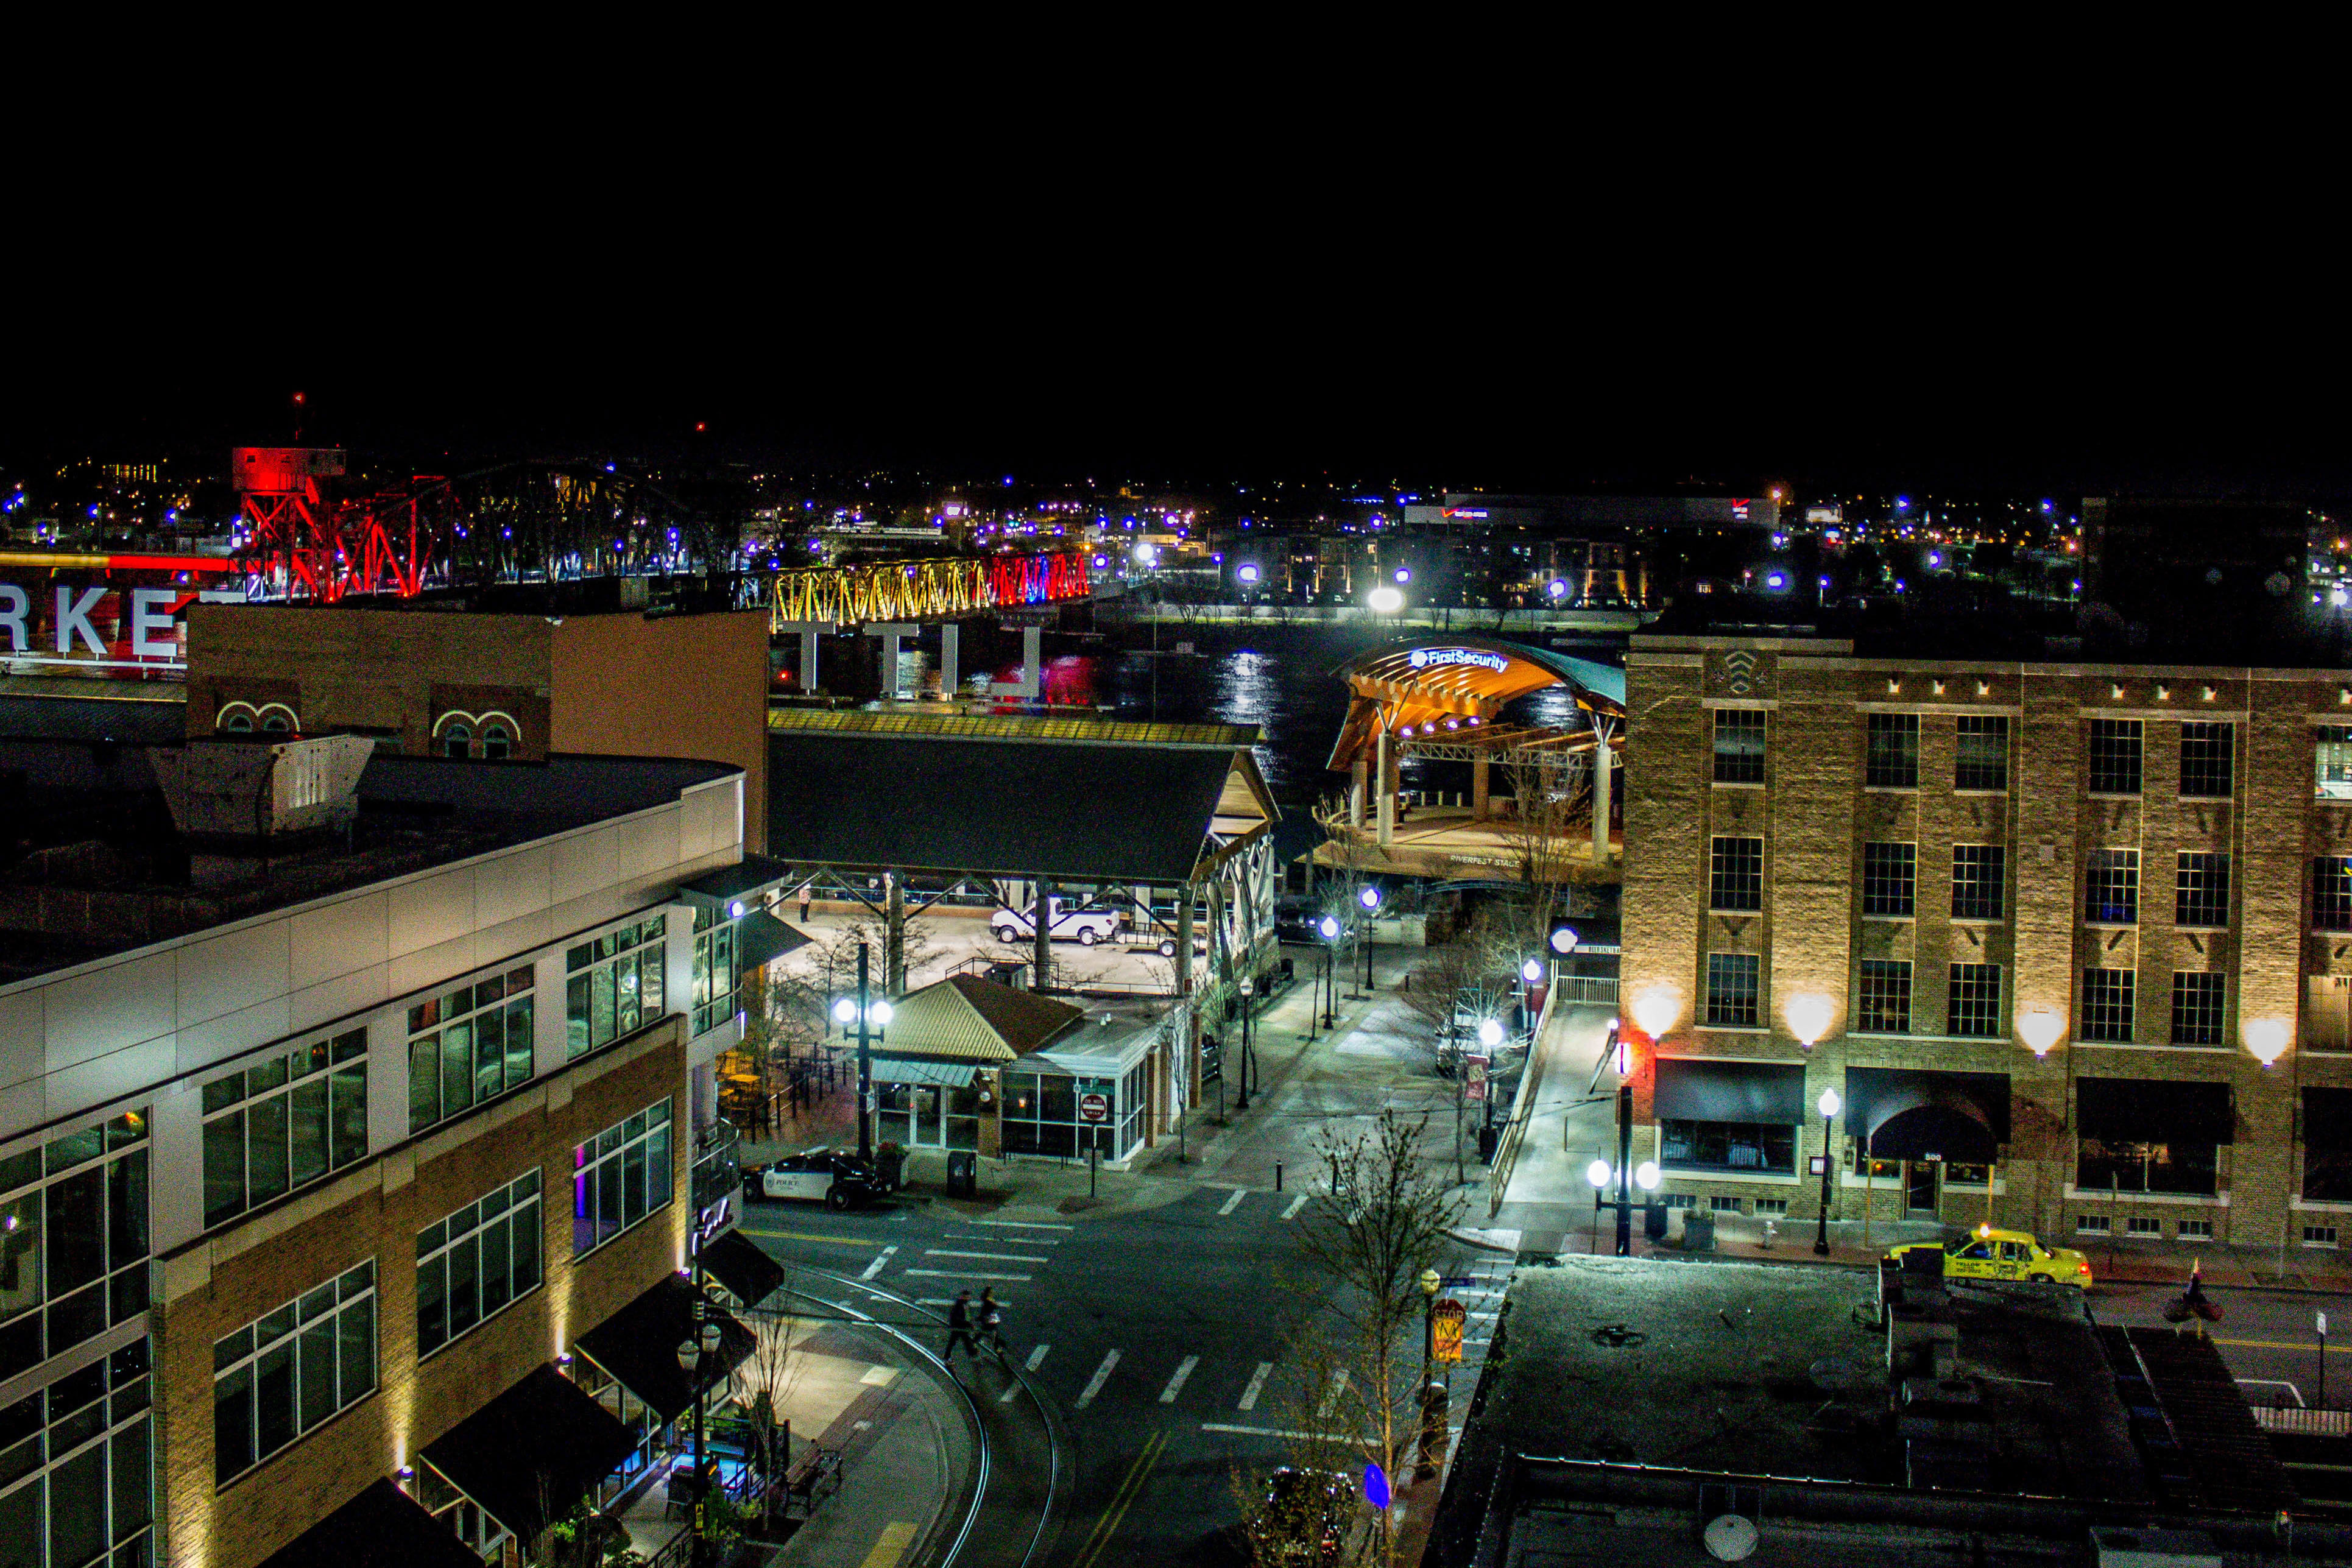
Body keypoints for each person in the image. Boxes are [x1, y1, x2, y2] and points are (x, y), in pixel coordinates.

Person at [945, 1289, 980, 1365]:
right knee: (956, 1342)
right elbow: (956, 1317)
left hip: (961, 1326)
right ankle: (947, 1358)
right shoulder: (960, 1304)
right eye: (967, 1297)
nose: (969, 1298)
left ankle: (973, 1356)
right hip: (959, 1327)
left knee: (965, 1341)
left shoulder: (963, 1304)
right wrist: (969, 1324)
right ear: (964, 1297)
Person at [978, 1287, 1006, 1358]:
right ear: (989, 1293)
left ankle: (975, 1343)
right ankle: (998, 1350)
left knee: (985, 1332)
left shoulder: (989, 1300)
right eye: (992, 1292)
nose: (993, 1293)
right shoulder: (989, 1301)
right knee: (992, 1334)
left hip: (990, 1320)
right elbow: (988, 1310)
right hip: (990, 1321)